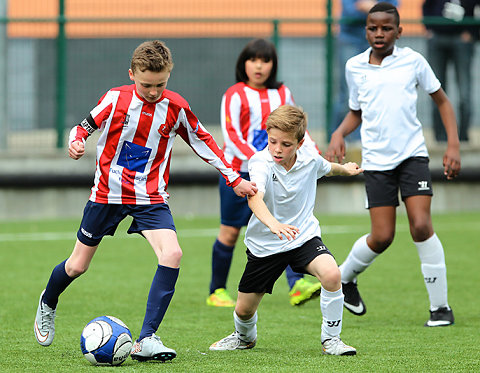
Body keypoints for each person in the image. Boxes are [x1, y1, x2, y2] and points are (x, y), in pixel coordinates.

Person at [33, 40, 257, 362]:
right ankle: (48, 301)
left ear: (169, 76)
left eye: (160, 84)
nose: (153, 92)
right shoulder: (115, 99)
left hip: (150, 196)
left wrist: (233, 177)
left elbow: (203, 140)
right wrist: (76, 143)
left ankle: (147, 339)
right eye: (146, 85)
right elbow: (82, 128)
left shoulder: (176, 106)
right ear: (132, 75)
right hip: (106, 195)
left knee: (173, 253)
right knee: (77, 265)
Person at [326, 3, 461, 327]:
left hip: (412, 155)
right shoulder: (354, 66)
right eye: (373, 28)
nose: (379, 33)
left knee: (420, 225)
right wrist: (339, 133)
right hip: (376, 161)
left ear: (399, 32)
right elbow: (356, 110)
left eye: (387, 28)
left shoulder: (414, 61)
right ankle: (344, 278)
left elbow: (442, 100)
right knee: (382, 236)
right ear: (366, 30)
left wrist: (453, 144)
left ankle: (440, 308)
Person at [209, 105, 362, 355]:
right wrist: (274, 224)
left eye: (286, 144)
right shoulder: (260, 161)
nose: (278, 149)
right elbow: (255, 197)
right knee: (244, 310)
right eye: (273, 142)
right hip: (266, 244)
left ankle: (332, 340)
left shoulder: (310, 158)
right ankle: (243, 337)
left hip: (303, 237)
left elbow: (327, 167)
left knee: (332, 274)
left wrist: (345, 169)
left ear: (300, 143)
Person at [207, 38, 322, 308]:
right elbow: (232, 136)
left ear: (273, 64)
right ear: (243, 64)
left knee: (282, 225)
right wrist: (259, 161)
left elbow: (298, 129)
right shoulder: (235, 93)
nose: (259, 66)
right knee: (230, 232)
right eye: (253, 60)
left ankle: (297, 285)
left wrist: (315, 157)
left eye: (265, 60)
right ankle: (217, 290)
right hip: (239, 174)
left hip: (276, 175)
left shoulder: (282, 94)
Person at [331, 0, 398, 141]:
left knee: (378, 90)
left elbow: (392, 10)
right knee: (348, 93)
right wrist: (377, 9)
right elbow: (350, 12)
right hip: (350, 40)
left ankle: (367, 139)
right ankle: (341, 138)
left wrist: (367, 7)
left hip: (377, 43)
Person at [422, 0, 478, 142]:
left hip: (463, 40)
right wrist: (429, 29)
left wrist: (473, 33)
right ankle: (440, 137)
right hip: (437, 38)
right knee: (437, 89)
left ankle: (463, 136)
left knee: (464, 92)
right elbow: (426, 6)